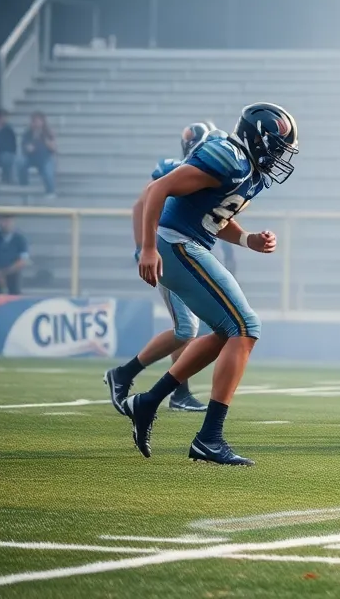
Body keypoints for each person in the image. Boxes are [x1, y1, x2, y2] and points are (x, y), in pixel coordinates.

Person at [122, 103, 298, 466]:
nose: (279, 157)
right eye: (277, 148)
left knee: (225, 331)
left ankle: (148, 401)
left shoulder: (250, 171)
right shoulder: (228, 155)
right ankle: (209, 438)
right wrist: (148, 247)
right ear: (257, 138)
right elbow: (159, 189)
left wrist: (248, 240)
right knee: (247, 326)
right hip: (174, 244)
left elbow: (215, 216)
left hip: (187, 244)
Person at [104, 122, 223, 415]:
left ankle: (177, 392)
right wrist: (144, 248)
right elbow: (140, 205)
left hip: (184, 253)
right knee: (186, 328)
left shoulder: (200, 170)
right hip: (166, 252)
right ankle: (126, 374)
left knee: (188, 327)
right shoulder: (174, 169)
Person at [15, 111, 56, 197]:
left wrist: (45, 140)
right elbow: (24, 147)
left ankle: (50, 192)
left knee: (48, 171)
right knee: (20, 161)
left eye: (39, 121)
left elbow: (53, 148)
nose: (36, 123)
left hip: (44, 158)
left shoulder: (48, 132)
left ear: (43, 122)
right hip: (30, 158)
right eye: (34, 121)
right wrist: (28, 147)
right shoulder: (27, 133)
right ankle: (23, 183)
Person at [0, 215, 30, 295]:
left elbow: (23, 260)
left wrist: (5, 272)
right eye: (2, 221)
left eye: (8, 221)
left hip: (14, 276)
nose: (5, 224)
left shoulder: (20, 239)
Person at [0, 109, 16, 184]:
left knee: (8, 157)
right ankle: (7, 178)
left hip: (5, 154)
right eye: (3, 117)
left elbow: (12, 145)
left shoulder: (8, 129)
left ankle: (7, 179)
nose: (5, 119)